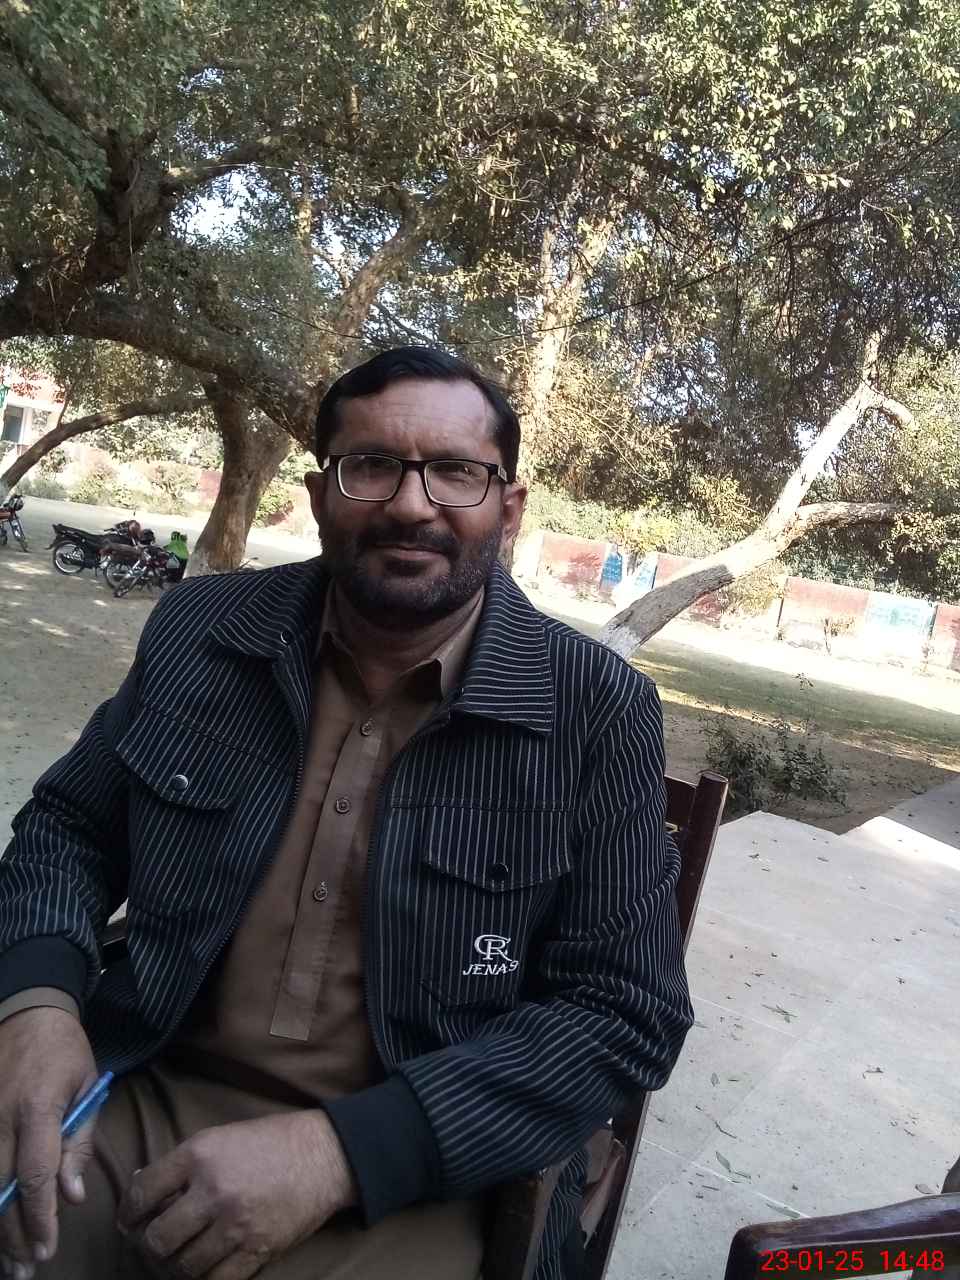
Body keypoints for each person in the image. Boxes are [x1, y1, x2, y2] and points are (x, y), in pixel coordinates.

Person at [0, 347, 693, 1280]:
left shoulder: (595, 713)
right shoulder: (202, 633)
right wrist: (36, 1006)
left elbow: (624, 1011)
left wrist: (342, 1153)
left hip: (416, 1164)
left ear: (509, 508)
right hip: (141, 1082)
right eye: (371, 466)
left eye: (457, 472)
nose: (412, 504)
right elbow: (69, 830)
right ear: (320, 495)